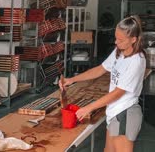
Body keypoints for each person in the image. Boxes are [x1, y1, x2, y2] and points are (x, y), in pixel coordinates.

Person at [59, 15, 146, 152]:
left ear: (133, 40)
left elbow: (118, 93)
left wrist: (89, 108)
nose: (116, 42)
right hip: (114, 113)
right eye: (116, 38)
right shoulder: (120, 52)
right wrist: (71, 80)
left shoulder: (136, 61)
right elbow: (100, 69)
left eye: (121, 40)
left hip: (125, 114)